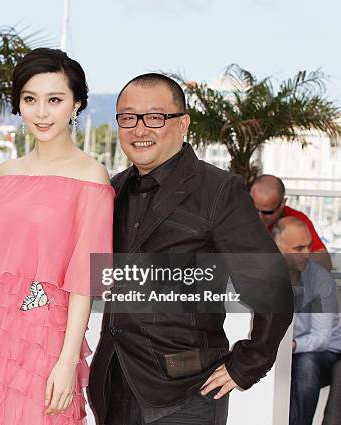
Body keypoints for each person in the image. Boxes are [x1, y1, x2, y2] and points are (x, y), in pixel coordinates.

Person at [88, 73, 294, 425]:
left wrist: (247, 364)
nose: (139, 130)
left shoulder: (218, 190)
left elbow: (272, 285)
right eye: (127, 118)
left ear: (182, 124)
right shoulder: (114, 189)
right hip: (115, 386)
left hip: (186, 394)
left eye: (154, 117)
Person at [0, 47, 113, 425]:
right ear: (18, 105)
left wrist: (68, 359)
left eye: (54, 100)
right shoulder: (4, 173)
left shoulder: (91, 177)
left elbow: (84, 280)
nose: (41, 112)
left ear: (76, 105)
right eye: (30, 99)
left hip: (45, 339)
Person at [272, 217, 341, 425]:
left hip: (327, 350)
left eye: (308, 246)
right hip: (286, 347)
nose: (307, 254)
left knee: (306, 364)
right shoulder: (264, 276)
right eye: (298, 248)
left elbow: (321, 338)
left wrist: (290, 346)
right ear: (277, 248)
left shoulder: (320, 279)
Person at [250, 174, 332, 271]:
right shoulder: (237, 217)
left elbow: (324, 261)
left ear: (282, 204)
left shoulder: (297, 220)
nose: (259, 216)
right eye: (254, 209)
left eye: (268, 212)